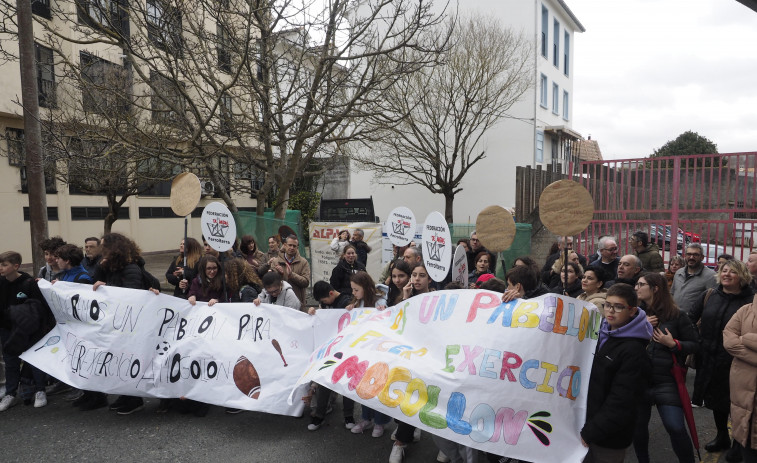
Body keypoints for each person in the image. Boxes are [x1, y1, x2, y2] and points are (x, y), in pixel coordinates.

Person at [580, 283, 653, 463]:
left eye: (619, 306)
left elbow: (621, 402)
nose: (611, 311)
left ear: (632, 310)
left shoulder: (634, 350)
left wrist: (590, 433)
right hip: (585, 425)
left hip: (607, 438)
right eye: (608, 305)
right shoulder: (598, 333)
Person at [688, 259, 754, 459]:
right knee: (715, 401)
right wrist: (697, 340)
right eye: (724, 271)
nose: (726, 274)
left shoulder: (750, 302)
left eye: (732, 272)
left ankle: (737, 442)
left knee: (736, 404)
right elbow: (690, 318)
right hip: (708, 358)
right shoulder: (709, 295)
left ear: (742, 276)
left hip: (736, 362)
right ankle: (722, 436)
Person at [632, 273, 700, 463]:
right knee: (638, 427)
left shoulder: (677, 315)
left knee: (675, 426)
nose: (636, 288)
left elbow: (695, 344)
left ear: (655, 288)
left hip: (666, 380)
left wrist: (674, 344)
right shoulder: (634, 313)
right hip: (639, 379)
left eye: (641, 284)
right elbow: (619, 338)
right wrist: (640, 325)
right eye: (636, 284)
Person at [92, 233, 159, 415]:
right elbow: (95, 283)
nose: (101, 250)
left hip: (131, 326)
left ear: (114, 248)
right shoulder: (110, 267)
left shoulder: (131, 269)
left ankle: (134, 398)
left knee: (128, 361)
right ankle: (125, 394)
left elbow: (131, 297)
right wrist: (100, 270)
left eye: (104, 247)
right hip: (118, 324)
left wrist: (108, 289)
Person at [0, 251, 55, 412]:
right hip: (7, 330)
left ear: (16, 266)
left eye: (4, 265)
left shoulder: (29, 283)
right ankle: (10, 393)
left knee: (34, 360)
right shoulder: (1, 284)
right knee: (10, 362)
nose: (1, 268)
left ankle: (40, 390)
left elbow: (40, 307)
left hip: (29, 330)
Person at [346, 272, 391, 438]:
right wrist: (351, 310)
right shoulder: (358, 302)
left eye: (356, 289)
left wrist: (383, 312)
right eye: (352, 289)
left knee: (378, 386)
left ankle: (380, 422)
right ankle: (366, 418)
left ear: (365, 288)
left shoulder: (380, 301)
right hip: (363, 351)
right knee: (363, 386)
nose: (353, 293)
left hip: (378, 352)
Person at [723, 295, 757, 463]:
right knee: (748, 448)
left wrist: (745, 338)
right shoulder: (744, 311)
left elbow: (736, 340)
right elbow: (729, 341)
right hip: (743, 393)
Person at [671, 243, 717, 313]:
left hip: (692, 321)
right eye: (689, 254)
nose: (691, 257)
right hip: (674, 316)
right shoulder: (679, 272)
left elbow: (713, 303)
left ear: (702, 257)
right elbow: (672, 293)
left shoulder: (711, 276)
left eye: (695, 255)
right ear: (685, 256)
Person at [268, 235, 310, 310]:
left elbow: (306, 282)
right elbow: (272, 283)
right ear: (284, 245)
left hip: (298, 305)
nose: (292, 248)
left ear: (297, 248)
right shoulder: (276, 261)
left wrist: (291, 275)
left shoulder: (304, 262)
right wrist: (279, 274)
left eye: (294, 246)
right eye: (290, 245)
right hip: (280, 305)